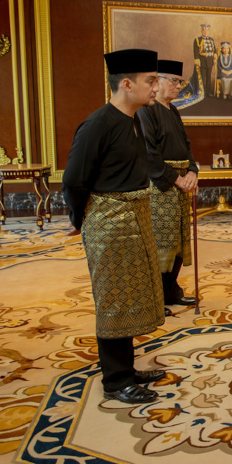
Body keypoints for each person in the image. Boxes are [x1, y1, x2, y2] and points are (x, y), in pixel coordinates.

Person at [63, 48, 167, 404]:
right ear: (126, 84)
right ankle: (116, 380)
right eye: (151, 81)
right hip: (109, 221)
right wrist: (85, 220)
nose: (157, 87)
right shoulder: (97, 125)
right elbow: (74, 181)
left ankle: (127, 367)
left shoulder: (134, 119)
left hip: (134, 218)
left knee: (133, 293)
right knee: (114, 298)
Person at [137, 59, 199, 318]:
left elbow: (186, 144)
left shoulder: (173, 110)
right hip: (162, 185)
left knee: (178, 240)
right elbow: (149, 153)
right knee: (161, 242)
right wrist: (176, 178)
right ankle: (156, 295)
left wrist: (193, 171)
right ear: (157, 81)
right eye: (173, 81)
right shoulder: (145, 110)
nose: (178, 86)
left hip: (181, 182)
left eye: (180, 82)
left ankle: (172, 289)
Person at [190, 23, 217, 97]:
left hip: (210, 61)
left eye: (207, 31)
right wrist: (197, 60)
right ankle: (201, 92)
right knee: (202, 77)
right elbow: (195, 51)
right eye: (204, 30)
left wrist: (215, 55)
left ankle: (208, 92)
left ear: (209, 32)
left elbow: (214, 49)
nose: (205, 32)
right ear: (201, 31)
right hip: (202, 61)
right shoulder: (197, 40)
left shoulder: (211, 39)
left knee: (208, 77)